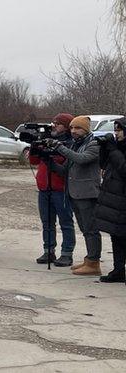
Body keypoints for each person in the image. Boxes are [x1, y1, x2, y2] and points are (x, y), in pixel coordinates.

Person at [47, 115, 102, 276]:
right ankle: (89, 259)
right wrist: (49, 161)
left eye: (77, 128)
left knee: (91, 229)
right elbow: (65, 170)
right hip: (75, 193)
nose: (73, 131)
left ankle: (94, 263)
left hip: (87, 194)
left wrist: (60, 148)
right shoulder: (77, 145)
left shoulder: (93, 144)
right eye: (71, 128)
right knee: (85, 229)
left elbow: (81, 159)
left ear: (86, 129)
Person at [28, 113, 75, 267]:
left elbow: (64, 167)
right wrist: (36, 147)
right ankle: (48, 250)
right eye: (53, 123)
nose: (54, 126)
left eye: (58, 123)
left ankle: (67, 253)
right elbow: (34, 160)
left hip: (60, 189)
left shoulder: (69, 144)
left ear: (67, 126)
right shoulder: (46, 140)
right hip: (44, 188)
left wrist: (53, 153)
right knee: (47, 222)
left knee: (65, 222)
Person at [95, 117, 126, 283]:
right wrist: (104, 149)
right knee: (116, 236)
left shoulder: (119, 149)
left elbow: (123, 168)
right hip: (115, 200)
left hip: (122, 199)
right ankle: (118, 270)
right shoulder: (117, 147)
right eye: (115, 130)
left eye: (119, 130)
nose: (116, 133)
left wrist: (113, 149)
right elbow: (103, 164)